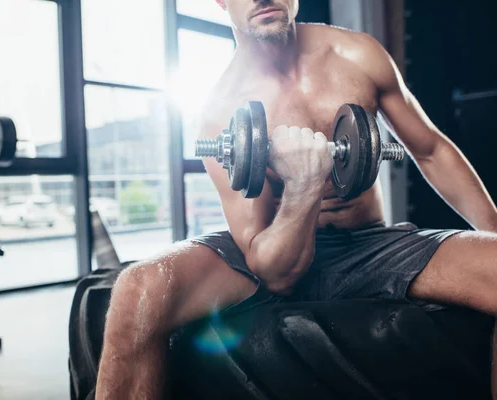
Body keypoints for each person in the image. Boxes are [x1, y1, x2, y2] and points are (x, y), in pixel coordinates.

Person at [95, 1, 497, 398]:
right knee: (139, 289)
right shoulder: (221, 113)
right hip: (272, 245)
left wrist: (494, 233)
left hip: (369, 243)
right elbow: (272, 268)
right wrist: (305, 181)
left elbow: (431, 151)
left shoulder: (356, 54)